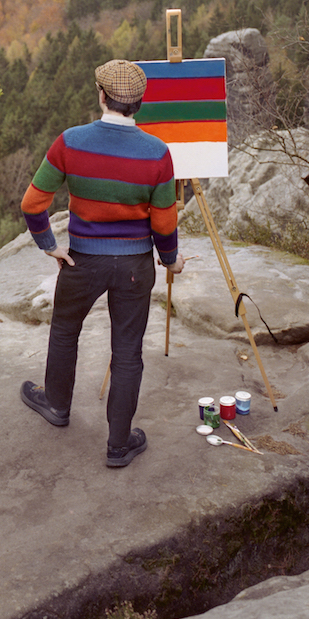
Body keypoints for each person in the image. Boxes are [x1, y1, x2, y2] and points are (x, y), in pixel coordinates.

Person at [19, 58, 185, 467]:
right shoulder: (158, 152)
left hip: (82, 262)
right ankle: (118, 445)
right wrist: (171, 261)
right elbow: (164, 222)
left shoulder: (71, 141)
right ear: (139, 102)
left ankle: (57, 405)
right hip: (134, 268)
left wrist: (50, 245)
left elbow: (33, 203)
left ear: (101, 95)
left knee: (64, 332)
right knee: (127, 352)